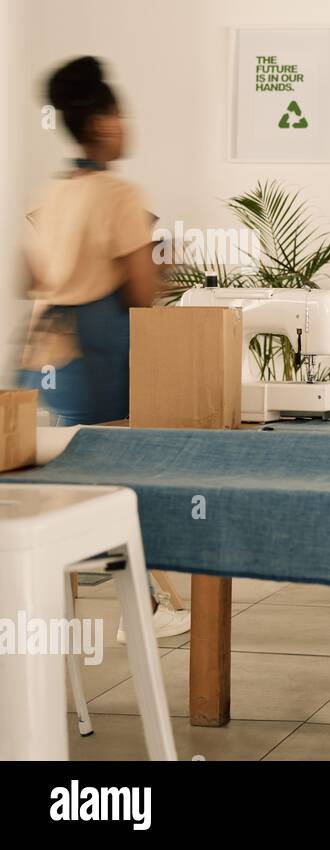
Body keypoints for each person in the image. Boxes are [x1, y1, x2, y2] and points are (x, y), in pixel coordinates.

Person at [19, 55, 188, 641]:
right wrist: (164, 262)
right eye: (121, 114)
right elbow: (143, 294)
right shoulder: (119, 194)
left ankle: (120, 604)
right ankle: (145, 605)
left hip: (44, 356)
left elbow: (30, 274)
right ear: (105, 123)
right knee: (122, 484)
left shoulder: (54, 192)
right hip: (98, 353)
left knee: (68, 485)